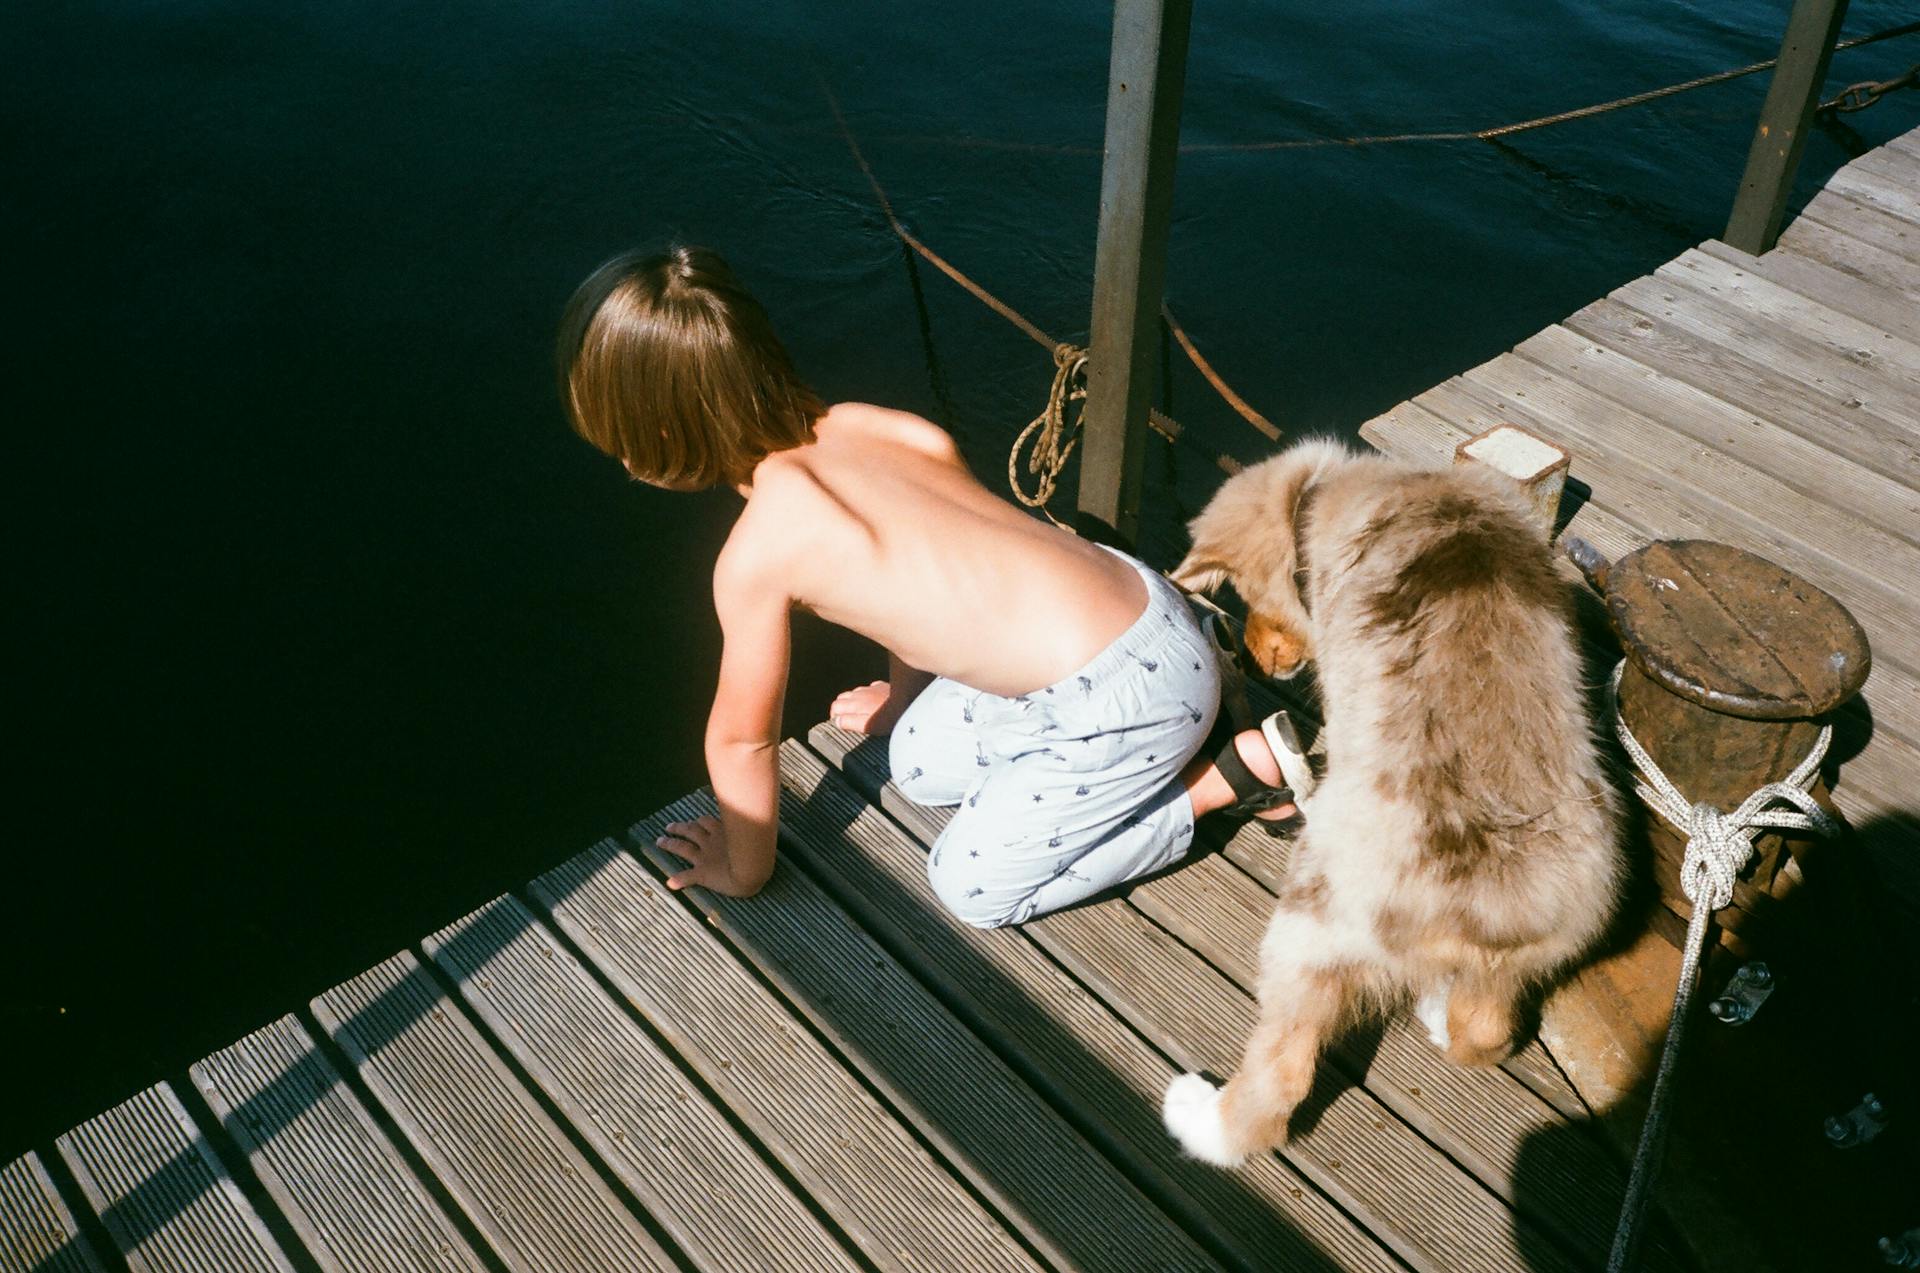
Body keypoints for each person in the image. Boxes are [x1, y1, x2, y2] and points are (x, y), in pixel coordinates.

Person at [556, 244, 1297, 928]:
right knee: (910, 757)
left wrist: (744, 867)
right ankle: (1192, 692)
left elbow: (742, 738)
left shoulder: (756, 555)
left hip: (1126, 701)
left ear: (656, 438)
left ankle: (1223, 778)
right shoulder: (875, 425)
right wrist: (901, 700)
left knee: (971, 887)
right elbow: (926, 591)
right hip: (1141, 604)